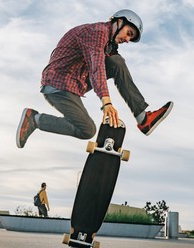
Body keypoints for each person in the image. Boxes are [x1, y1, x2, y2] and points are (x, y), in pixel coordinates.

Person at [16, 9, 173, 148]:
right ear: (119, 22)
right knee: (87, 130)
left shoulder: (108, 44)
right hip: (59, 85)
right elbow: (96, 66)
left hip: (75, 83)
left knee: (117, 62)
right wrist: (107, 103)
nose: (127, 39)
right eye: (128, 33)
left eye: (130, 38)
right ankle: (34, 119)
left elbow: (109, 67)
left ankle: (143, 118)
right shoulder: (97, 32)